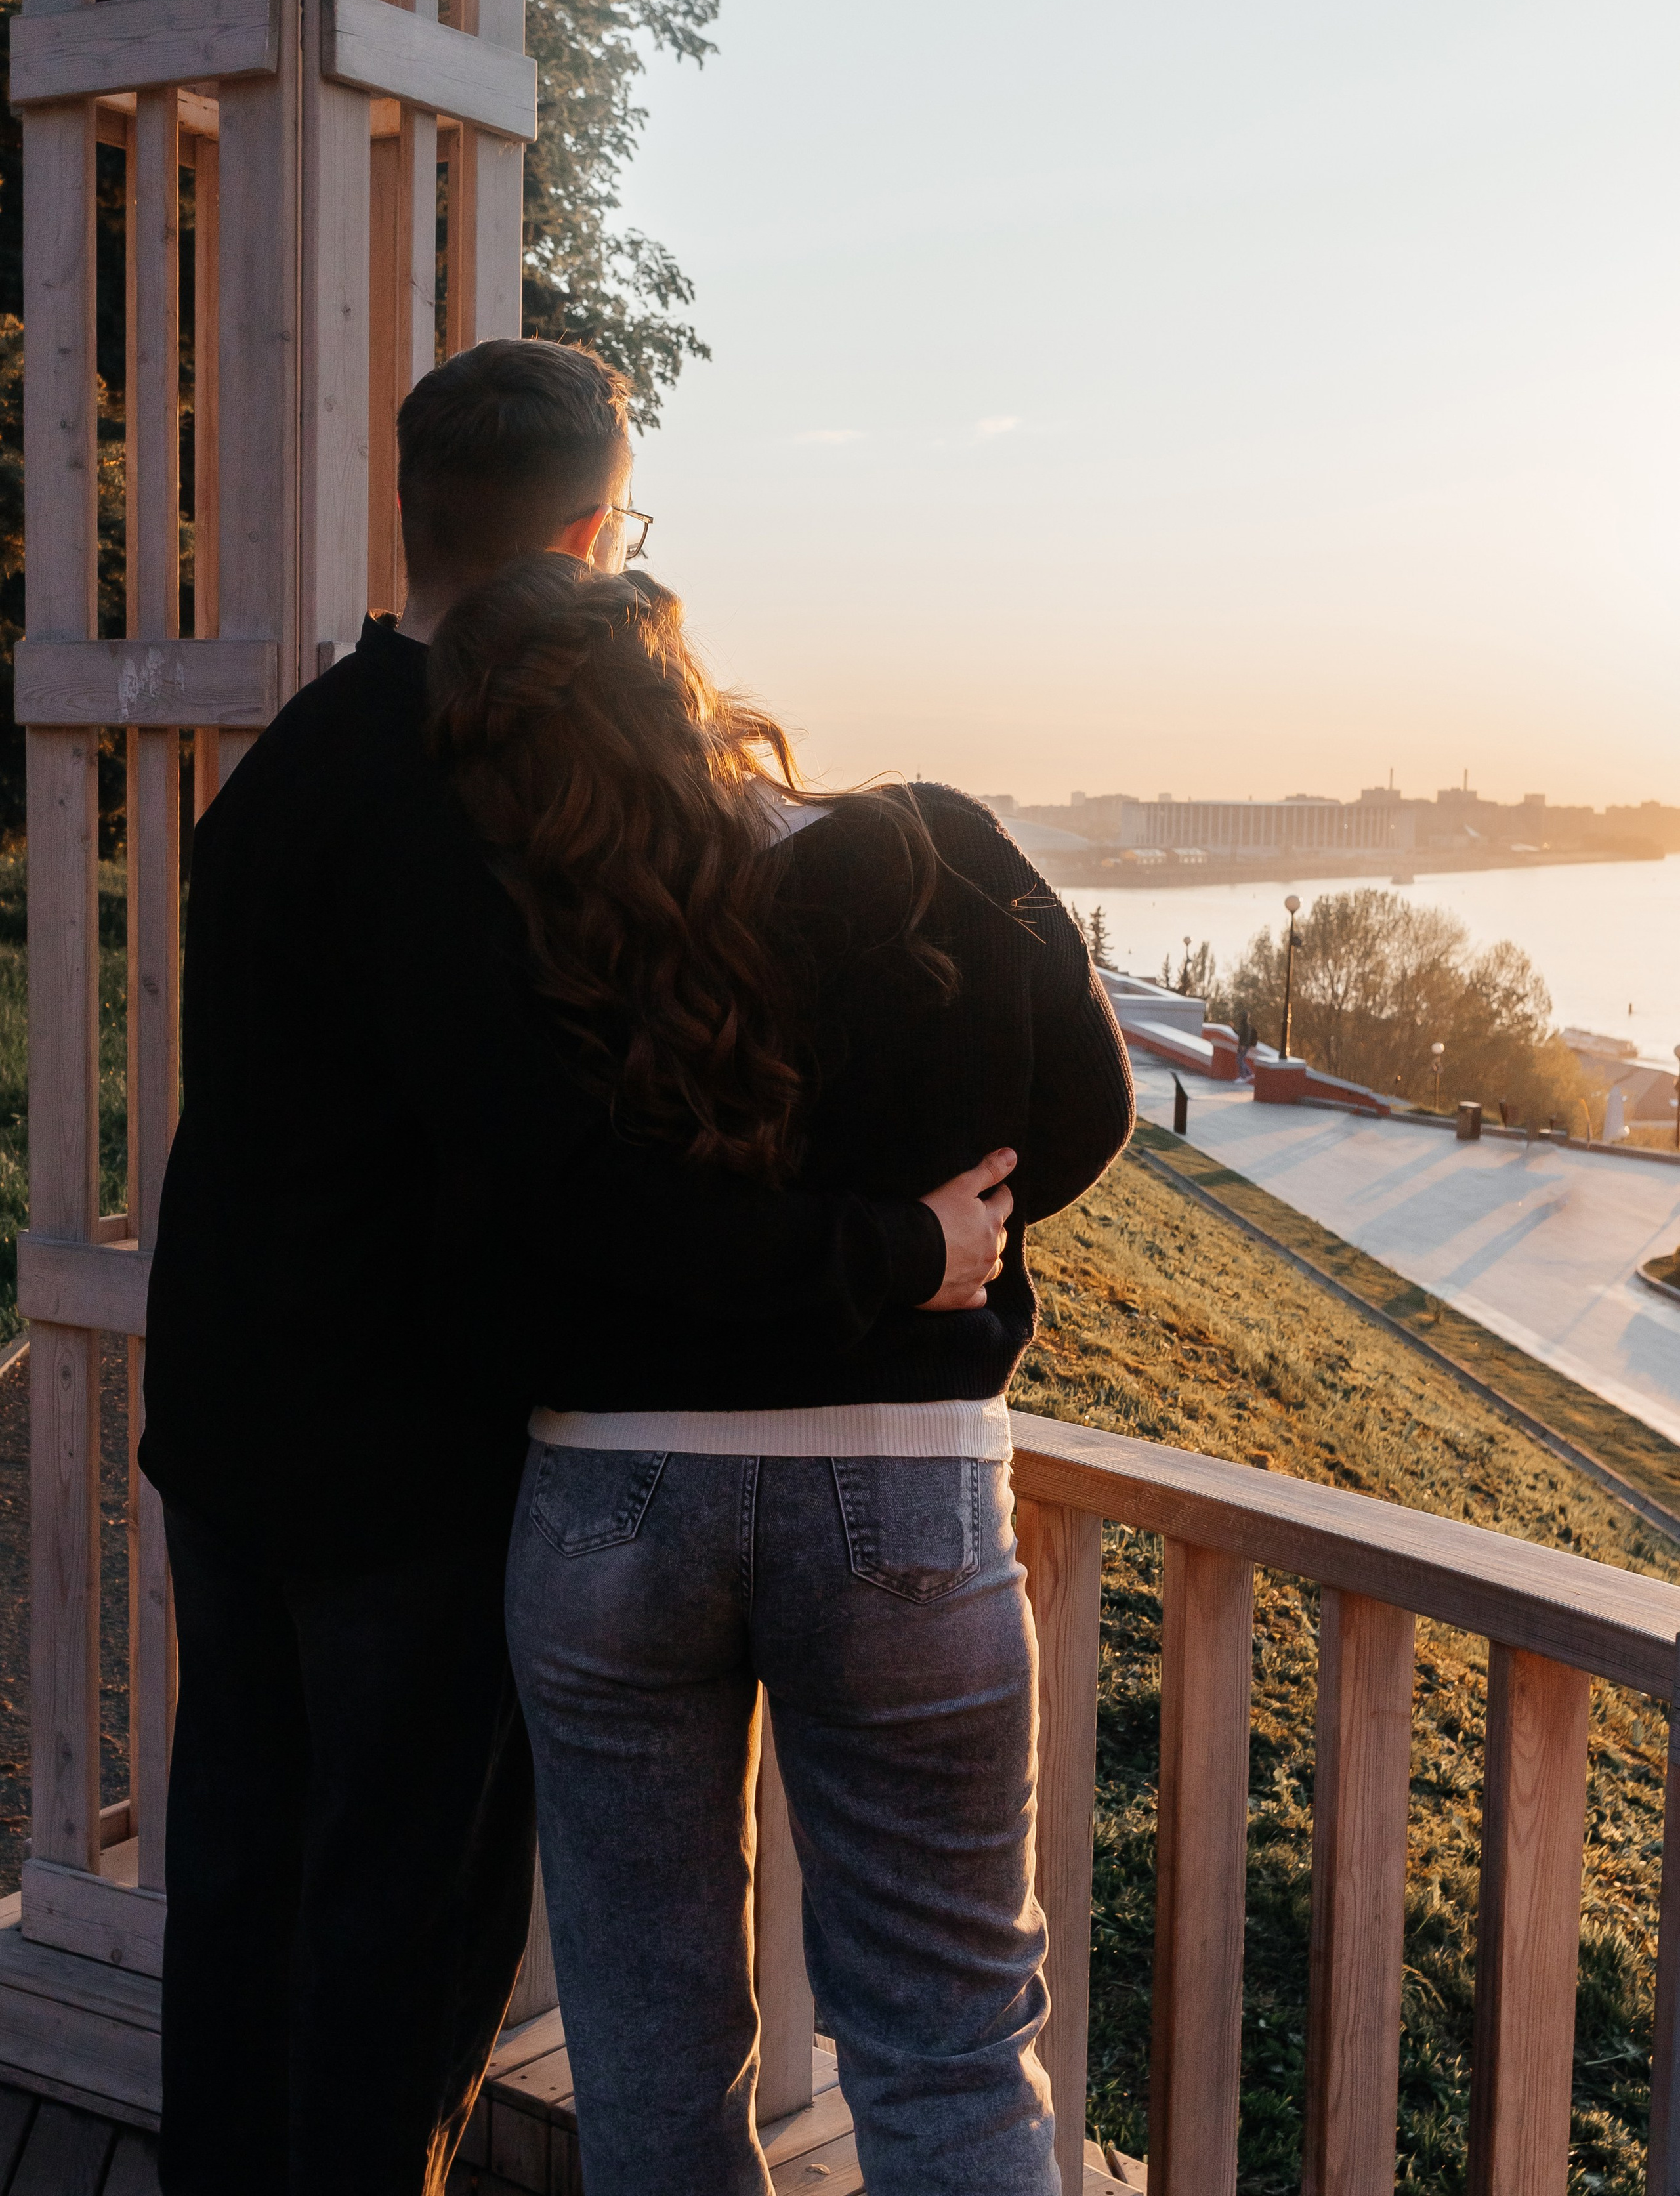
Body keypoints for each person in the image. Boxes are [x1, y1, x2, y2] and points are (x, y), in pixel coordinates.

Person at [138, 339, 1015, 2196]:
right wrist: (896, 1249)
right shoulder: (482, 795)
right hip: (409, 1471)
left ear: (416, 514)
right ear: (594, 536)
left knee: (237, 1895)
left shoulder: (291, 760)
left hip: (225, 1431)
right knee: (396, 1940)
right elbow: (572, 1183)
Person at [427, 551, 1136, 2195]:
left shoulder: (538, 931)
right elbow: (1093, 1109)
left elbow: (547, 1211)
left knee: (651, 2051)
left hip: (607, 1501)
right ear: (695, 696)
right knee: (949, 2044)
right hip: (900, 1481)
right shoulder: (933, 850)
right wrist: (949, 1239)